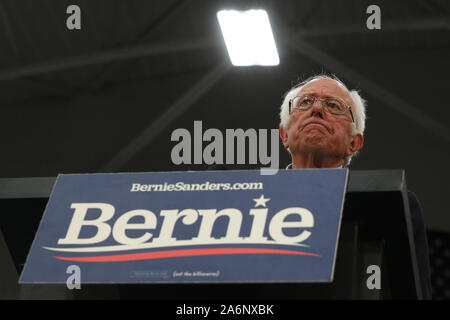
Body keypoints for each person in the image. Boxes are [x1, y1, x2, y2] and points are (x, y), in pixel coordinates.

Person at [279, 74, 432, 299]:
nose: (317, 110)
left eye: (333, 105)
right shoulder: (246, 202)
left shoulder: (393, 206)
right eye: (305, 102)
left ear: (353, 143)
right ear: (285, 135)